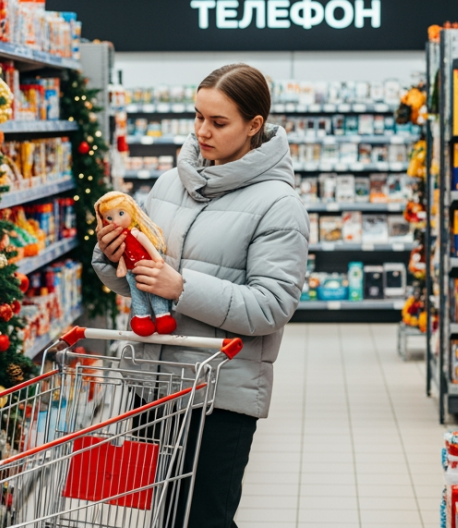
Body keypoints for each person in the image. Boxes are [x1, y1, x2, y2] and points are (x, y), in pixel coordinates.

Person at [93, 63, 309, 528]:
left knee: (205, 519)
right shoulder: (171, 183)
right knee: (163, 517)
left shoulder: (278, 204)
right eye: (197, 117)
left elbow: (272, 307)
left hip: (219, 396)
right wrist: (113, 258)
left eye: (218, 122)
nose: (202, 132)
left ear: (254, 126)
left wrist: (182, 288)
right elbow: (135, 282)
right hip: (151, 387)